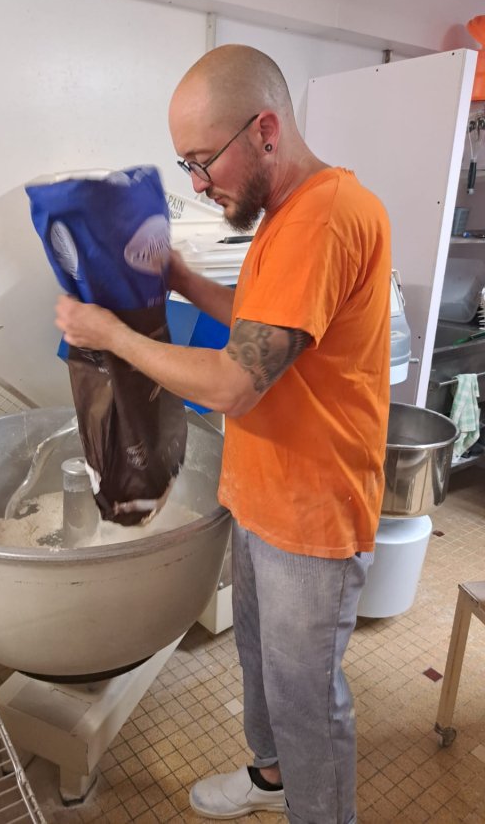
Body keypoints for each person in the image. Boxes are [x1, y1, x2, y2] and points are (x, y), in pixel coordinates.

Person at [55, 44, 391, 824]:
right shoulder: (289, 212)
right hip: (268, 494)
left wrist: (111, 332)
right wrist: (179, 278)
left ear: (266, 129)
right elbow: (260, 317)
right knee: (260, 664)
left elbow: (237, 382)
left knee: (307, 698)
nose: (201, 186)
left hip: (313, 514)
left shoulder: (326, 218)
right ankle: (270, 779)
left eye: (204, 162)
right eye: (187, 167)